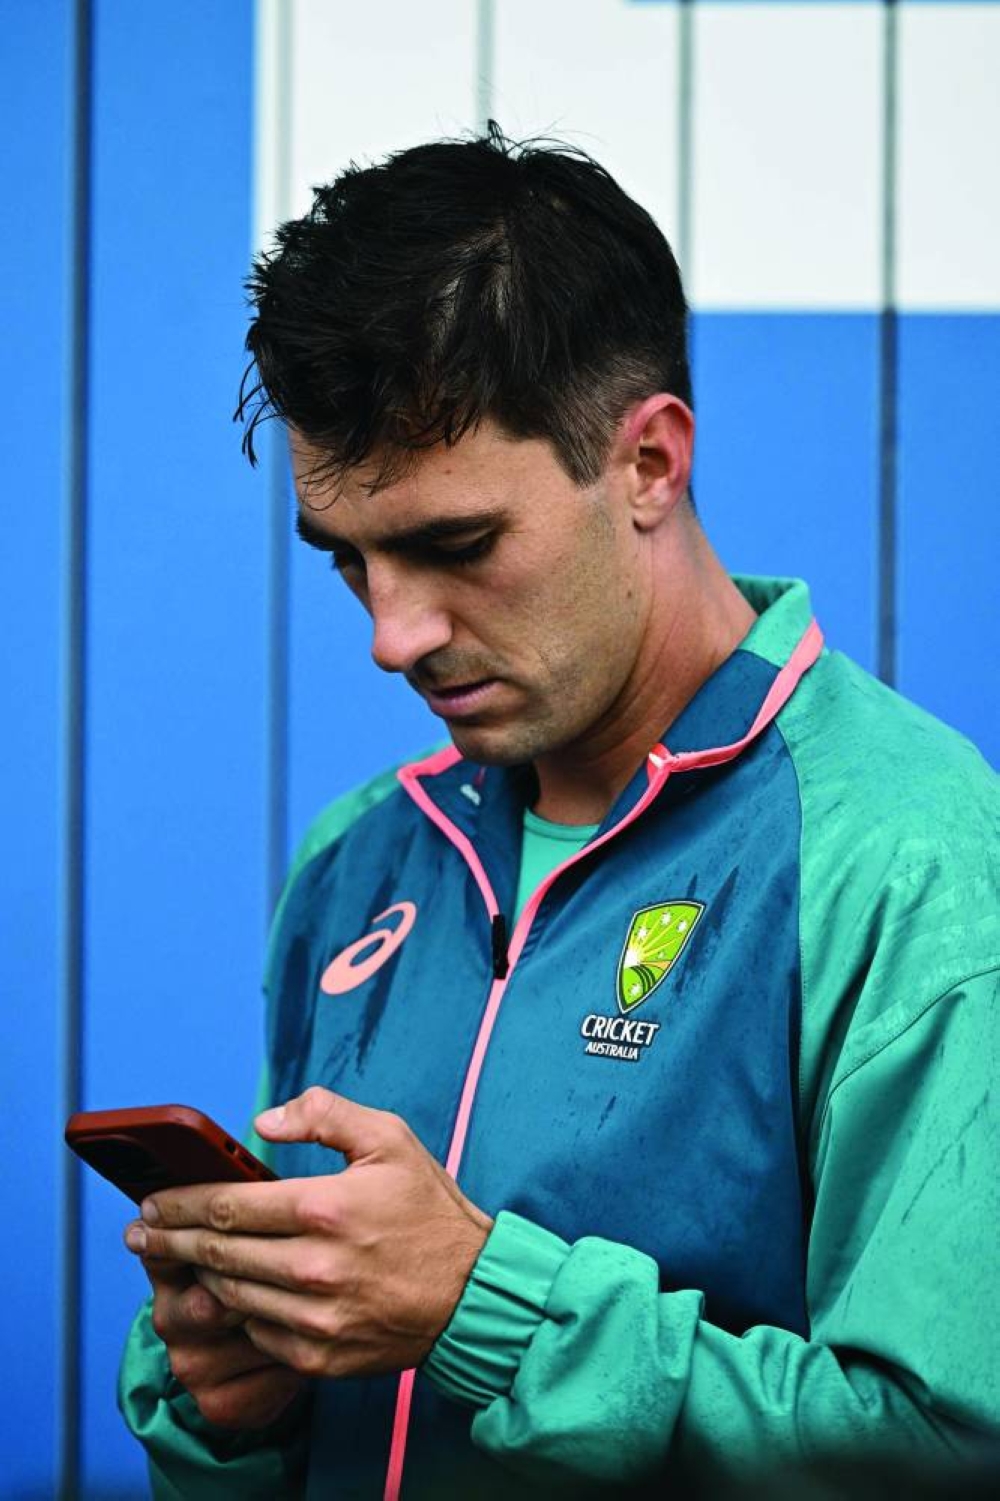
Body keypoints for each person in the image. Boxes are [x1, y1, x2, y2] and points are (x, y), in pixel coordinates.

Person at [117, 125, 998, 1498]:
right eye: (349, 561)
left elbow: (949, 1452)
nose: (393, 636)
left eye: (455, 545)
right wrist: (241, 1411)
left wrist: (484, 1307)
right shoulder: (360, 856)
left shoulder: (911, 854)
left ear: (649, 462)